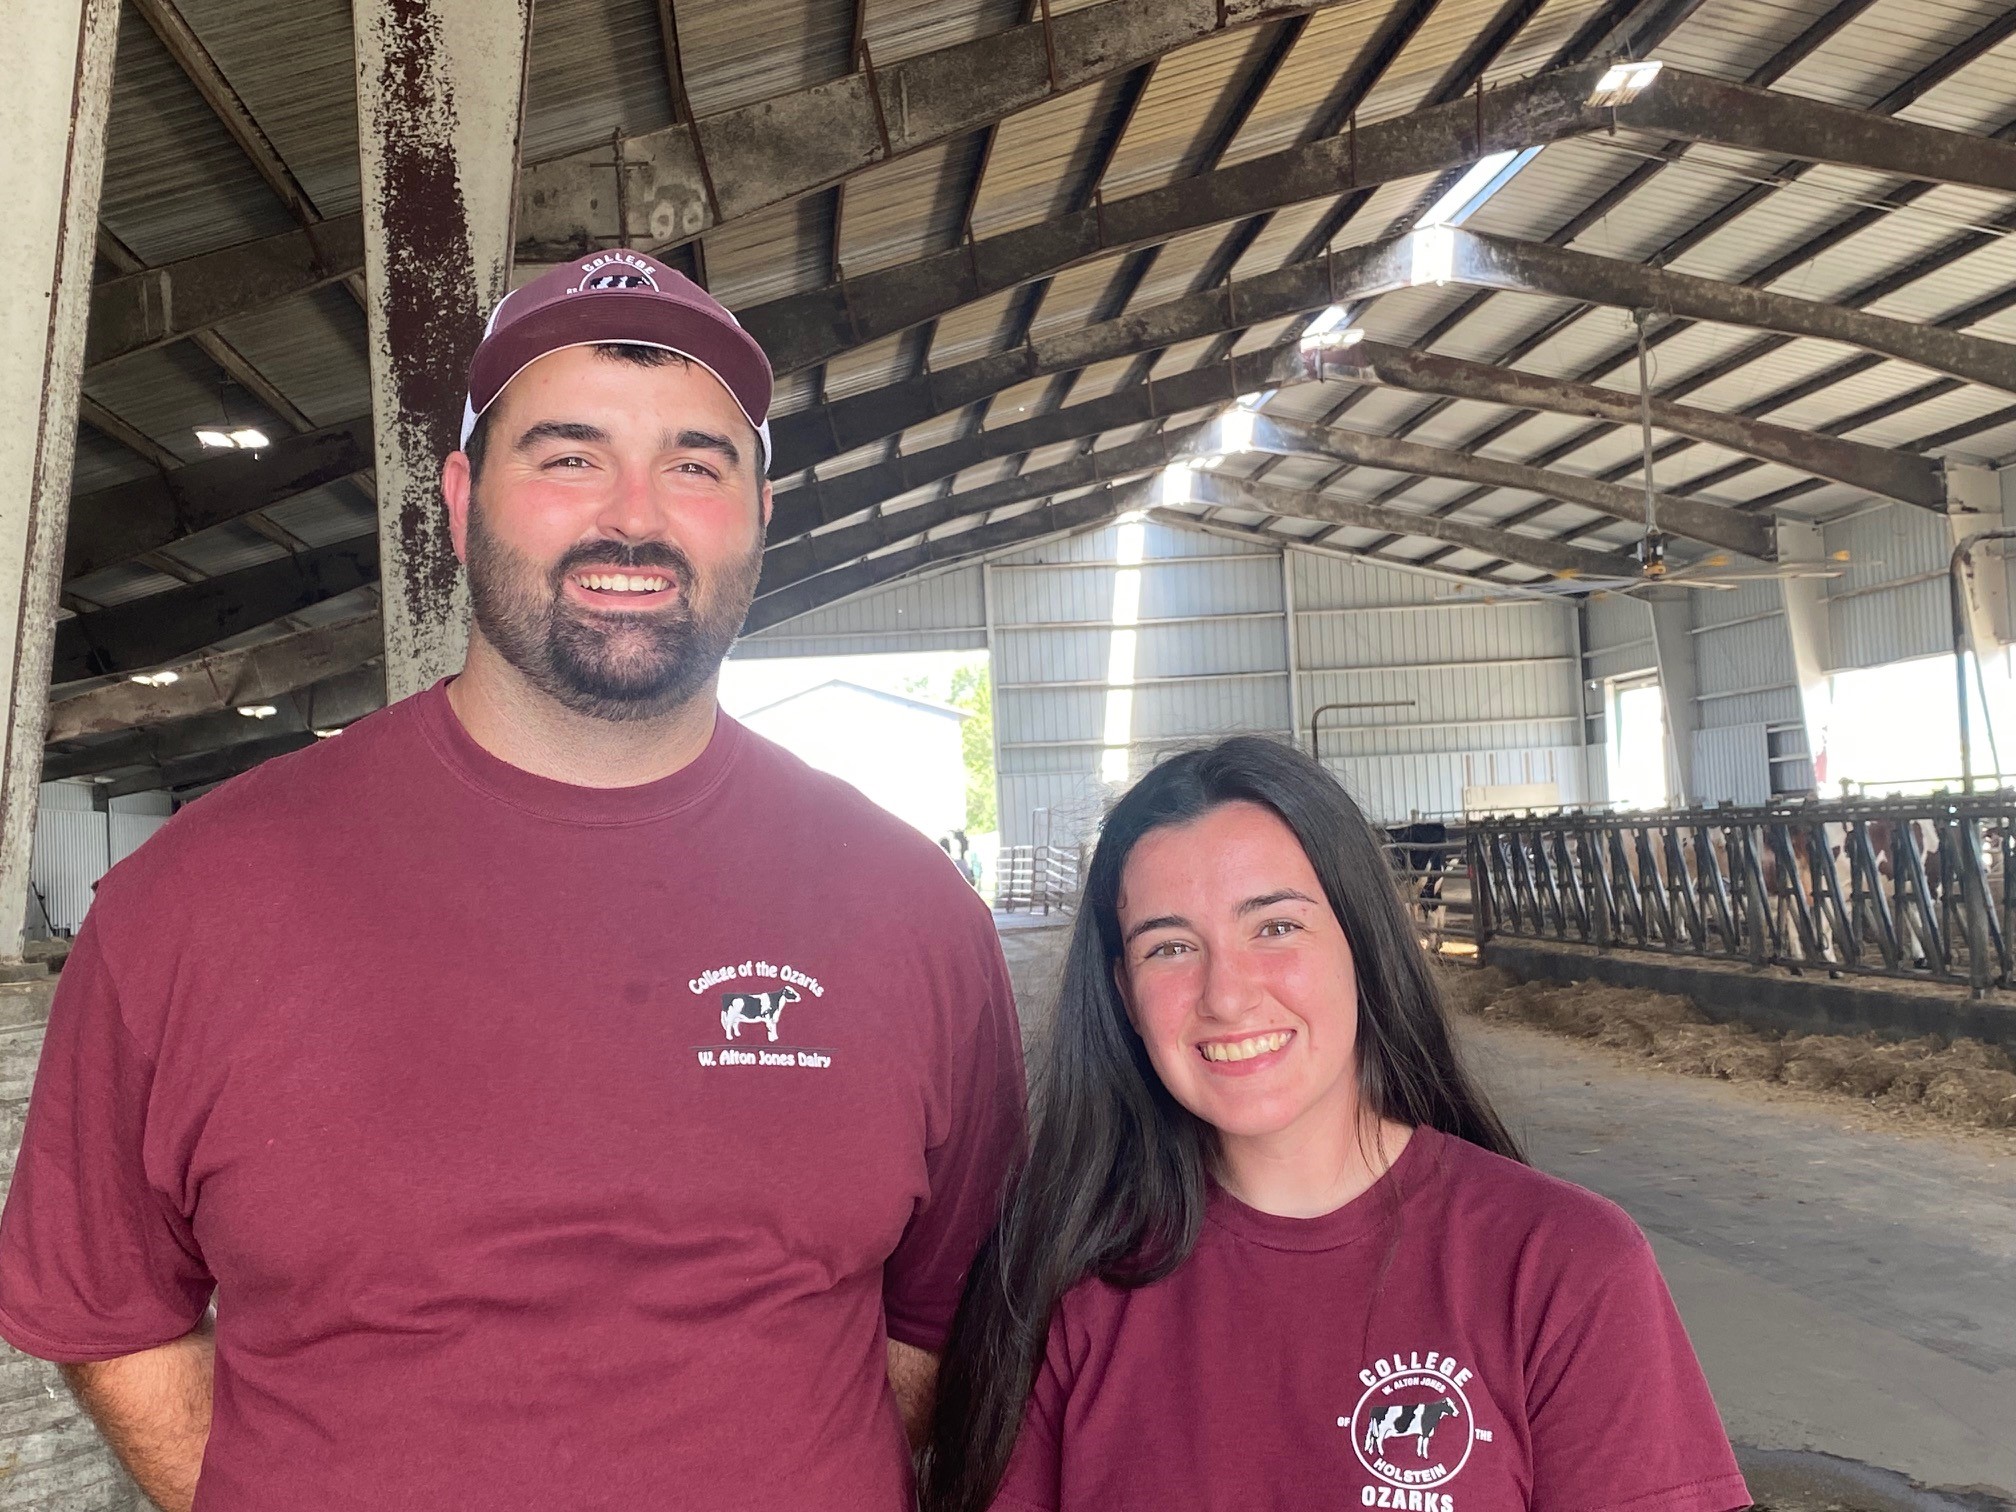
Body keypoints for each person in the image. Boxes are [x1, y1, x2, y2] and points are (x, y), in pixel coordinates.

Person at [0, 250, 1024, 1512]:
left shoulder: (913, 916)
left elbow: (936, 1318)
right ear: (462, 490)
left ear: (761, 509)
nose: (635, 516)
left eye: (697, 464)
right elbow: (108, 1310)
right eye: (568, 455)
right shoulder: (195, 900)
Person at [923, 737, 1749, 1512]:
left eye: (1275, 927)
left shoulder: (1563, 1268)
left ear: (1365, 940)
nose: (1228, 995)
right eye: (1170, 948)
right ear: (1124, 995)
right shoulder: (1062, 1281)